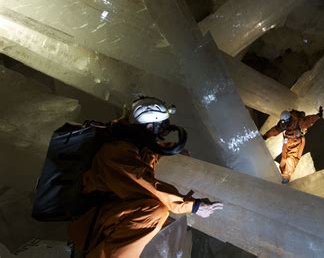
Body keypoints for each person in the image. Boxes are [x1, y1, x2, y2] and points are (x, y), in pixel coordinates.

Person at [68, 97, 223, 257]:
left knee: (167, 223)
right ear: (149, 126)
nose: (163, 134)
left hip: (115, 214)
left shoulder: (136, 145)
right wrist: (192, 206)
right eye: (161, 128)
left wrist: (177, 154)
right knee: (155, 212)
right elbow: (147, 185)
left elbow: (152, 153)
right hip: (93, 222)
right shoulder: (115, 153)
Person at [262, 107, 323, 184]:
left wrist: (318, 115)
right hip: (287, 141)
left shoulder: (298, 121)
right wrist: (266, 136)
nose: (284, 124)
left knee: (291, 159)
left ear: (289, 119)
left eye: (286, 122)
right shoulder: (284, 123)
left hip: (296, 142)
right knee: (284, 158)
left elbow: (309, 120)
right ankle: (282, 172)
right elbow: (276, 130)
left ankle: (286, 177)